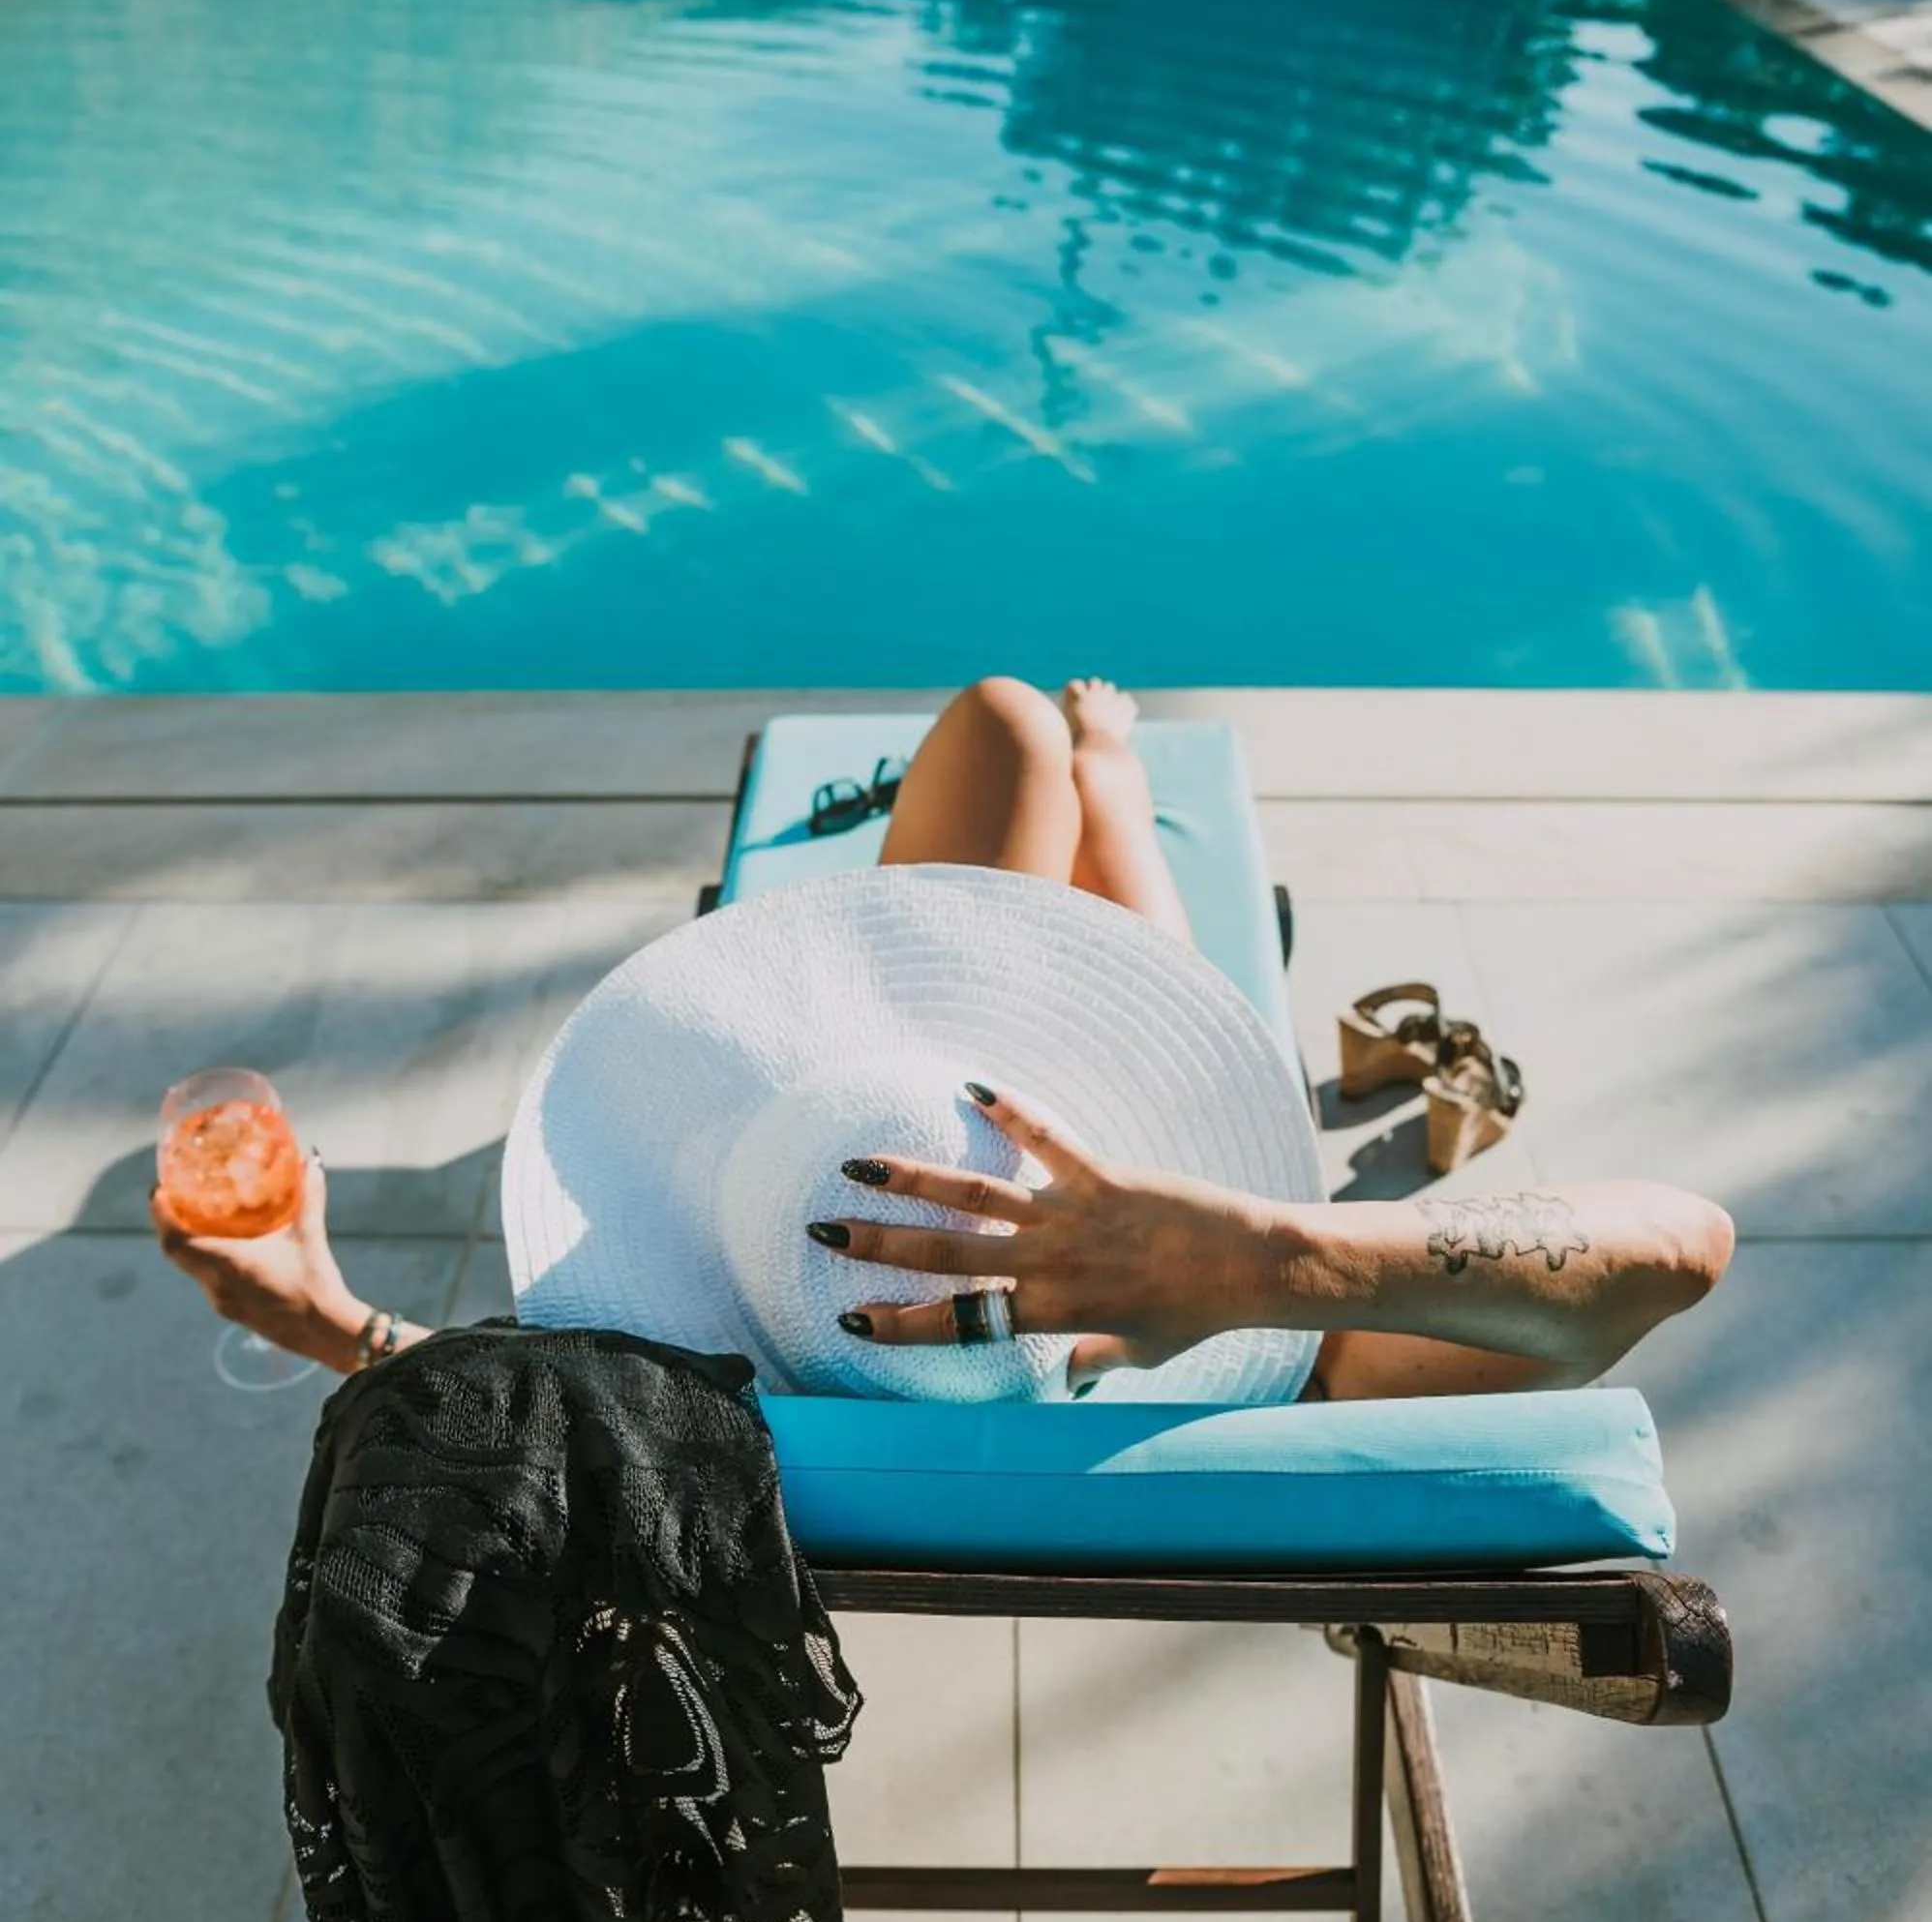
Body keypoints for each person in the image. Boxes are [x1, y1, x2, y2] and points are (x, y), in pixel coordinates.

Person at [152, 675, 1733, 1401]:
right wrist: (1257, 1262)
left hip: (907, 1279)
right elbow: (1676, 1248)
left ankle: (1085, 808)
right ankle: (1105, 801)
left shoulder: (718, 1413)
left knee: (1000, 727)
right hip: (1158, 1304)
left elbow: (483, 1401)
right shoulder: (1261, 1373)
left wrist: (321, 1317)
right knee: (1018, 732)